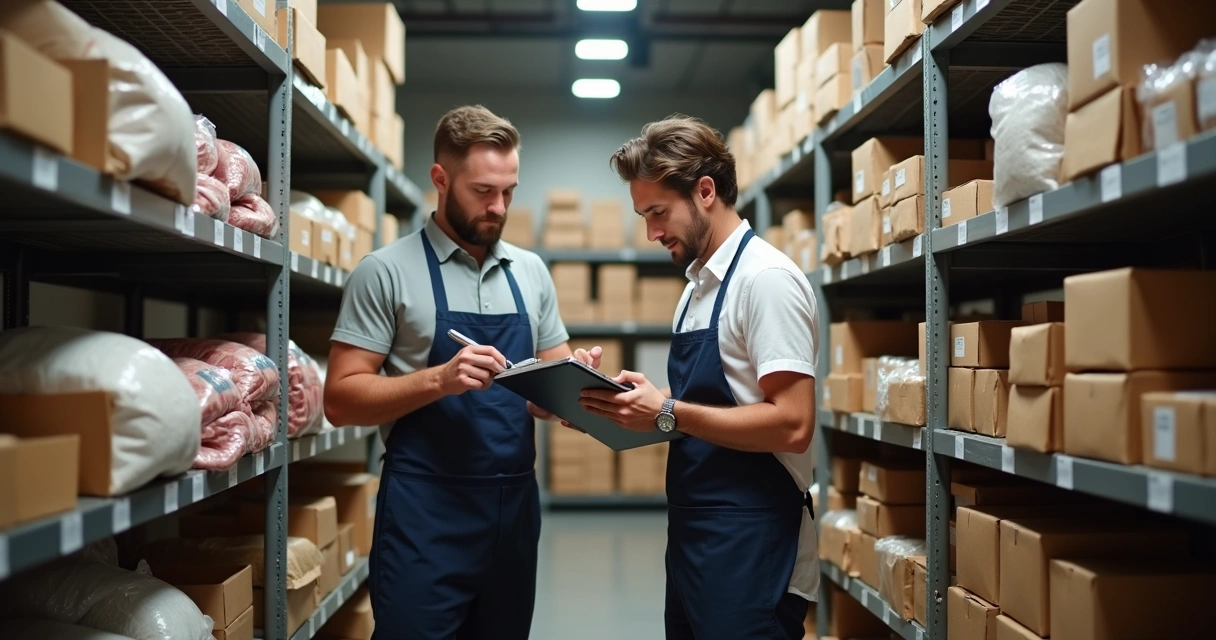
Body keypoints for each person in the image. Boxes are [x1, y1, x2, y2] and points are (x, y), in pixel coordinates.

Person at [324, 105, 600, 639]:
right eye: (482, 191)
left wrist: (575, 381)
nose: (498, 207)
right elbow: (340, 398)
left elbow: (544, 396)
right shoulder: (384, 272)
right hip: (425, 511)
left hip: (514, 509)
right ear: (440, 179)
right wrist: (439, 380)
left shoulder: (532, 272)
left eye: (509, 191)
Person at [581, 115, 820, 639]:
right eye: (644, 215)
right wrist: (608, 403)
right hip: (694, 536)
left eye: (659, 212)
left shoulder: (767, 281)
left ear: (705, 191)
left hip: (754, 542)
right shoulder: (696, 288)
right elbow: (705, 403)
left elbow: (793, 424)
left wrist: (666, 411)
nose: (652, 232)